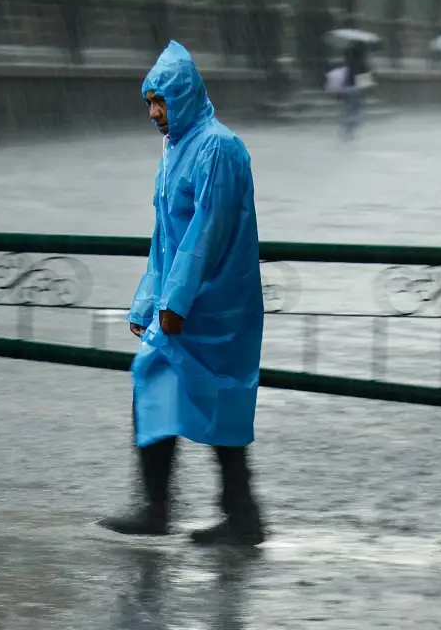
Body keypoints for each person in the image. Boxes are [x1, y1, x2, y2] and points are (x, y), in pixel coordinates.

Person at [98, 40, 266, 547]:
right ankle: (221, 511)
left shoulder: (217, 147)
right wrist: (149, 300)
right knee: (164, 386)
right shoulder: (177, 150)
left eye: (160, 102)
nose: (153, 113)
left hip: (214, 305)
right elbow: (164, 236)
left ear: (184, 97)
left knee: (209, 398)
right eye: (149, 103)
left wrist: (173, 302)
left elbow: (205, 233)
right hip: (189, 306)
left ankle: (197, 511)